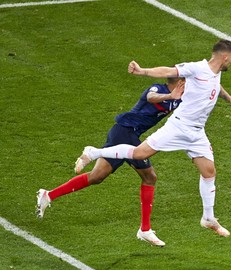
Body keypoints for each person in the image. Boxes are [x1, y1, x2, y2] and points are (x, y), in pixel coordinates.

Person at [73, 39, 231, 237]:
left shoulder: (215, 73)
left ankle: (208, 217)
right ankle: (94, 152)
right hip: (179, 126)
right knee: (140, 153)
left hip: (197, 132)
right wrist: (142, 71)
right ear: (224, 57)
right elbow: (167, 71)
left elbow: (216, 87)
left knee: (209, 172)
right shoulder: (196, 68)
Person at [36, 78, 185, 247]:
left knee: (97, 176)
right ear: (178, 80)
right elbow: (151, 97)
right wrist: (169, 95)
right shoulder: (158, 89)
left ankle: (48, 195)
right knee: (150, 177)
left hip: (125, 134)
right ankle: (145, 229)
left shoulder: (180, 96)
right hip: (125, 132)